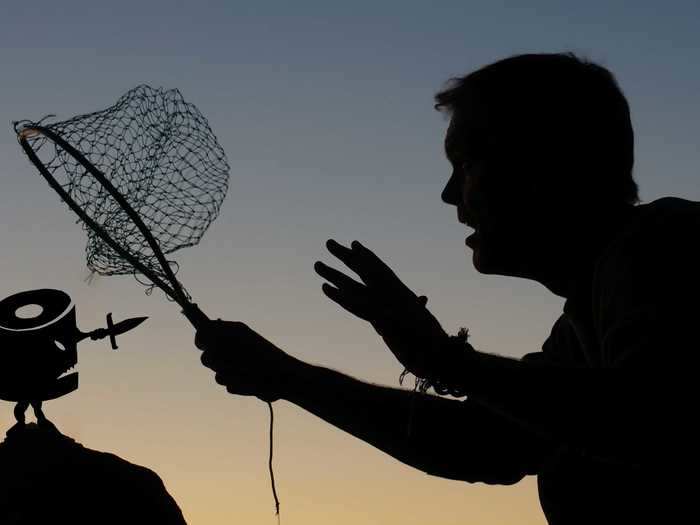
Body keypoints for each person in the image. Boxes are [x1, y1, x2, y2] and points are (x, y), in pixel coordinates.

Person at [196, 53, 691, 524]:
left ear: (542, 166)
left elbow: (652, 419)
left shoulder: (667, 244)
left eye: (468, 163)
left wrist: (444, 361)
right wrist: (287, 376)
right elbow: (486, 441)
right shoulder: (585, 320)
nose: (450, 193)